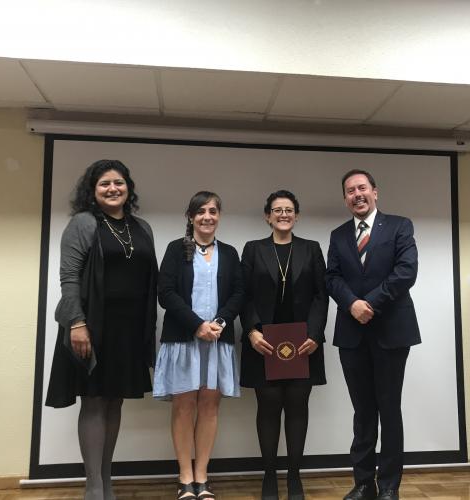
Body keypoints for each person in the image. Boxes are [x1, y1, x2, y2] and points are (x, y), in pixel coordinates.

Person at [45, 159, 158, 500]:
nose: (113, 189)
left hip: (128, 330)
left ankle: (106, 480)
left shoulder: (142, 228)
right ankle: (93, 486)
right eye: (105, 184)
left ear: (128, 188)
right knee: (94, 402)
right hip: (92, 326)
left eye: (119, 183)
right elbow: (69, 278)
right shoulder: (82, 224)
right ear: (92, 191)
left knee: (115, 403)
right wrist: (77, 324)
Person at [325, 169, 420, 500]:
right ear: (345, 198)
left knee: (389, 409)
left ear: (375, 192)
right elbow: (332, 278)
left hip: (392, 332)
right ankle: (363, 483)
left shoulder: (399, 226)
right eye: (350, 191)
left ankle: (389, 486)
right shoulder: (338, 236)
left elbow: (406, 272)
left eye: (362, 188)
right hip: (352, 335)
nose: (357, 194)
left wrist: (370, 303)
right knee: (363, 412)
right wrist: (352, 304)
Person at [153, 191, 245, 500]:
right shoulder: (175, 249)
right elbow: (165, 293)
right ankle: (185, 477)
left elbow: (239, 293)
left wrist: (218, 322)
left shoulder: (230, 253)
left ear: (219, 216)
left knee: (209, 406)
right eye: (201, 211)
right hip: (183, 339)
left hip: (217, 340)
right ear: (191, 216)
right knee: (183, 406)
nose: (208, 216)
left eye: (213, 211)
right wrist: (196, 324)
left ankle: (203, 476)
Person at [240, 190, 328, 500]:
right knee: (267, 407)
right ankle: (268, 476)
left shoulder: (311, 249)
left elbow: (321, 295)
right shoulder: (253, 250)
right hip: (263, 344)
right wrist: (250, 330)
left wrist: (316, 335)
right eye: (277, 210)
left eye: (289, 209)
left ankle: (294, 477)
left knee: (297, 407)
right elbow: (244, 294)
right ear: (267, 216)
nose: (283, 214)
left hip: (303, 344)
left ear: (296, 215)